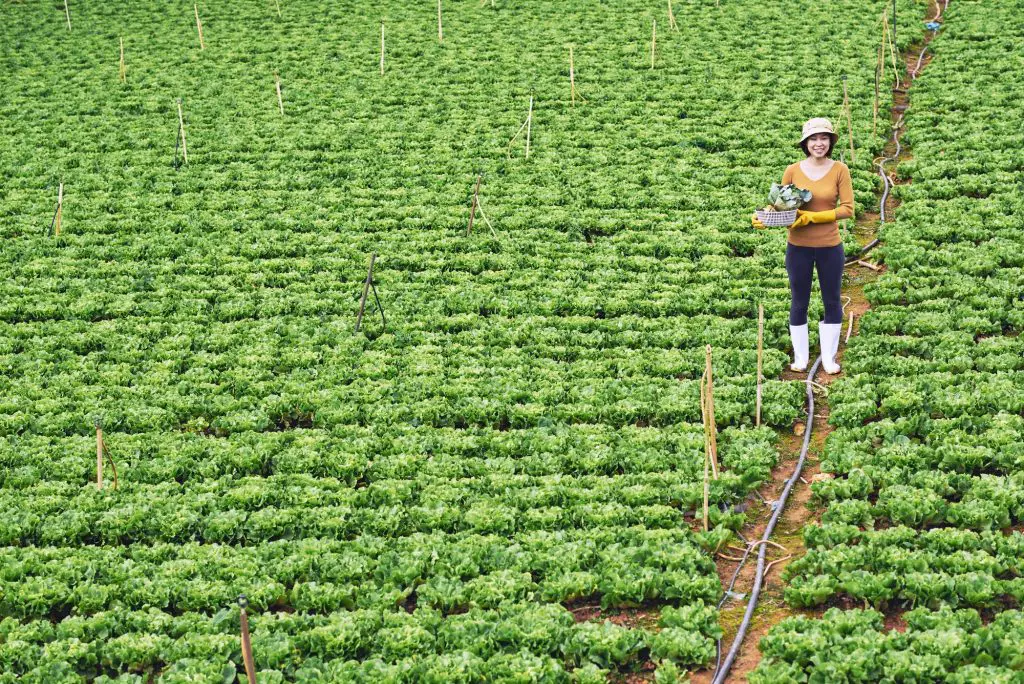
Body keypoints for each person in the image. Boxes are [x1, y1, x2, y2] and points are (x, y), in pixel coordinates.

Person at [752, 117, 854, 374]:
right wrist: (763, 217)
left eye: (823, 138)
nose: (818, 143)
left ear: (830, 141)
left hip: (830, 246)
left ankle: (829, 359)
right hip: (798, 246)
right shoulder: (792, 170)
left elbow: (847, 209)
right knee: (799, 300)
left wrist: (813, 217)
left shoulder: (840, 169)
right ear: (805, 143)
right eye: (813, 139)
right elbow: (779, 204)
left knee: (831, 300)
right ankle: (801, 359)